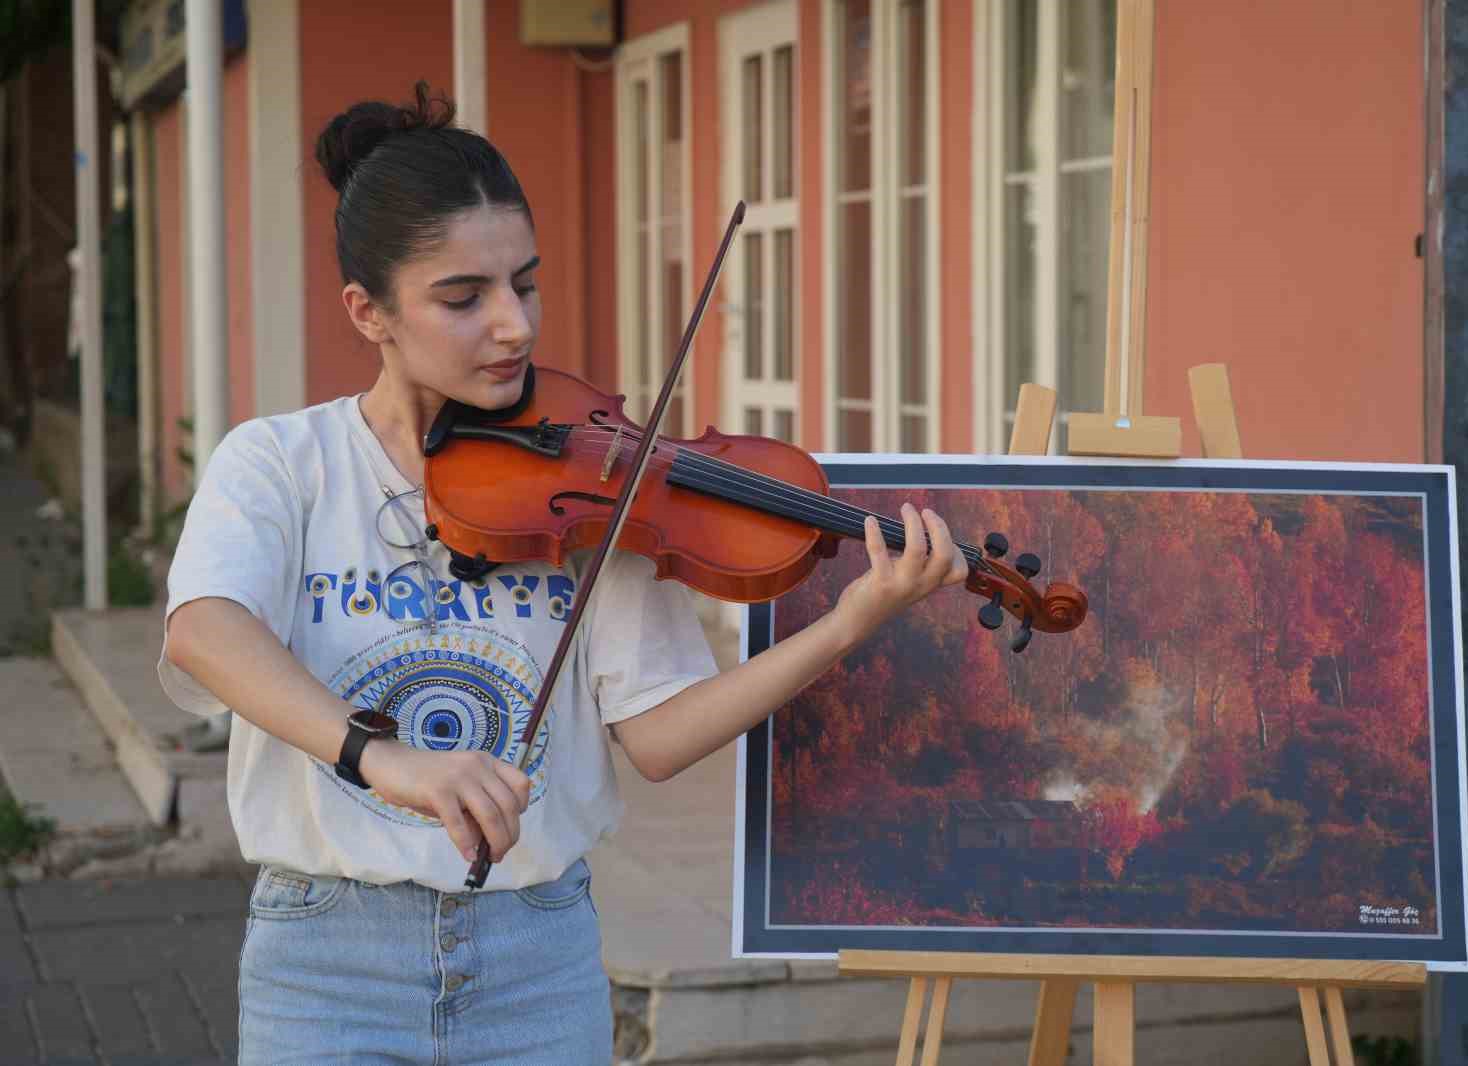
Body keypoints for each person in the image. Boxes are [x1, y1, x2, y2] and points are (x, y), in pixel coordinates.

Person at [158, 83, 967, 1065]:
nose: (513, 326)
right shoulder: (280, 463)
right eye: (464, 298)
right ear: (367, 312)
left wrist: (844, 625)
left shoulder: (597, 482)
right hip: (325, 955)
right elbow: (204, 629)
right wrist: (389, 759)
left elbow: (660, 737)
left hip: (534, 955)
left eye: (524, 284)